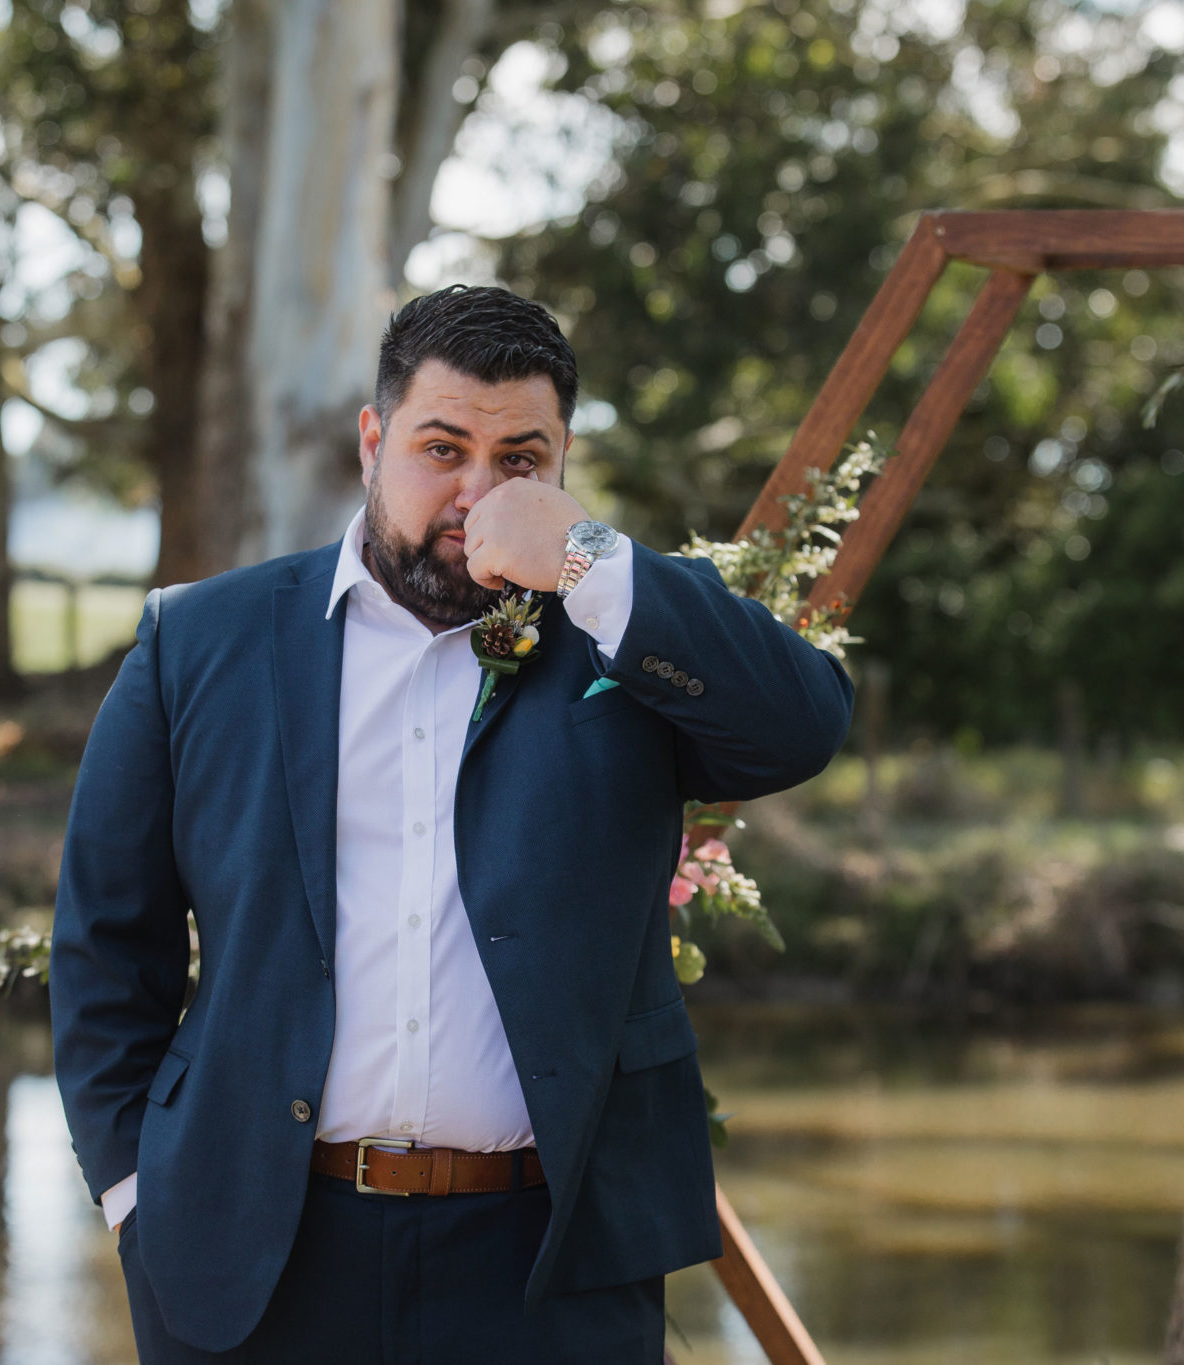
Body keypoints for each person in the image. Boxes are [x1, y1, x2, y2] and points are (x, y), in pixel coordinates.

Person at [50, 284, 853, 1364]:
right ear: (374, 441)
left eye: (519, 459)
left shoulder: (616, 631)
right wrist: (134, 1199)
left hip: (548, 1266)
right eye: (441, 449)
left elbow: (799, 727)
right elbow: (105, 942)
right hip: (255, 1260)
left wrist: (592, 564)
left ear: (563, 463)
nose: (476, 492)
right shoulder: (198, 642)